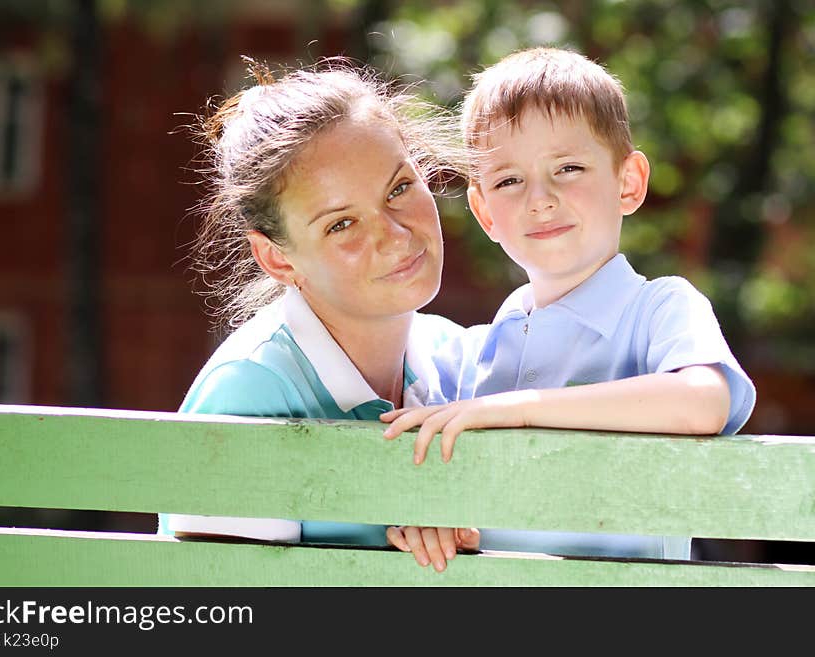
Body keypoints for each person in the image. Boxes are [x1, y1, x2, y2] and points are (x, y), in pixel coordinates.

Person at [381, 47, 757, 565]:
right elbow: (416, 479)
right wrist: (427, 522)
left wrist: (522, 410)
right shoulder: (469, 357)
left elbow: (705, 401)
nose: (541, 198)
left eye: (570, 167)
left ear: (628, 182)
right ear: (484, 211)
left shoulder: (659, 308)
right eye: (509, 180)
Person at [158, 59, 478, 570]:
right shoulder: (248, 394)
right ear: (278, 258)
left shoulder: (459, 357)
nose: (395, 235)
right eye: (342, 224)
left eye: (399, 188)